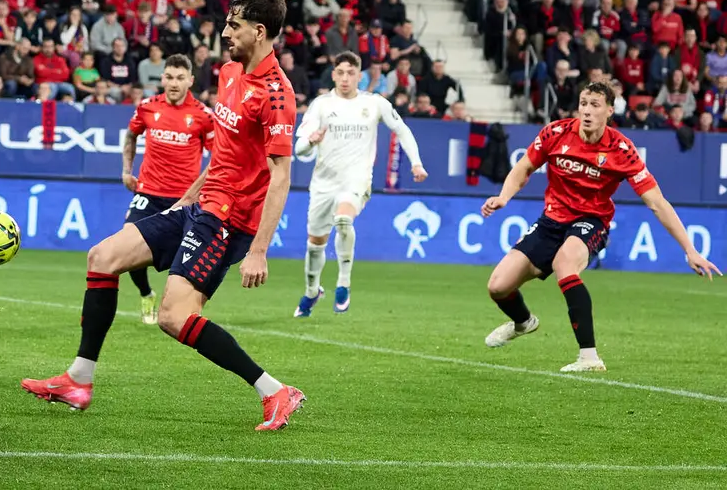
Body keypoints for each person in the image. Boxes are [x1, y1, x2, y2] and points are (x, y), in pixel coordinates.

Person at [22, 0, 305, 431]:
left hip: (229, 221)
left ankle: (274, 391)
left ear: (259, 31)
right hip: (200, 204)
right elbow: (225, 153)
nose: (225, 33)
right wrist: (190, 195)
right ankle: (78, 380)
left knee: (173, 318)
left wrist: (259, 250)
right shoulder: (229, 71)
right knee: (102, 257)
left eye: (233, 25)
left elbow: (281, 175)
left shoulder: (276, 95)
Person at [480, 81, 720, 372]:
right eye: (583, 103)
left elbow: (657, 202)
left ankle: (589, 357)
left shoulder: (621, 149)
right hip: (551, 221)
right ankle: (523, 322)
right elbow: (524, 167)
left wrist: (690, 250)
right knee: (498, 286)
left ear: (609, 111)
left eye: (595, 105)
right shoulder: (555, 133)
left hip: (591, 221)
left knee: (564, 263)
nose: (587, 111)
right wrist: (504, 197)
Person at [292, 51, 428, 316]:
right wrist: (311, 140)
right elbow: (299, 149)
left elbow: (401, 129)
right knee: (315, 243)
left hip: (356, 179)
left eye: (351, 73)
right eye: (340, 73)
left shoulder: (374, 103)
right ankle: (312, 291)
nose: (345, 78)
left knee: (344, 220)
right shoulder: (320, 105)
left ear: (359, 76)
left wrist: (416, 162)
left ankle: (343, 283)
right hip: (323, 182)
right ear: (333, 75)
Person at [119, 54, 217, 324]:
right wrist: (127, 170)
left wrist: (205, 190)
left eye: (180, 78)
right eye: (170, 77)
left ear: (190, 81)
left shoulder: (203, 116)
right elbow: (131, 135)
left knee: (187, 261)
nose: (174, 83)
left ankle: (184, 309)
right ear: (162, 78)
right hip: (148, 193)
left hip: (184, 200)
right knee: (126, 246)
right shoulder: (147, 107)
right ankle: (146, 293)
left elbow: (219, 157)